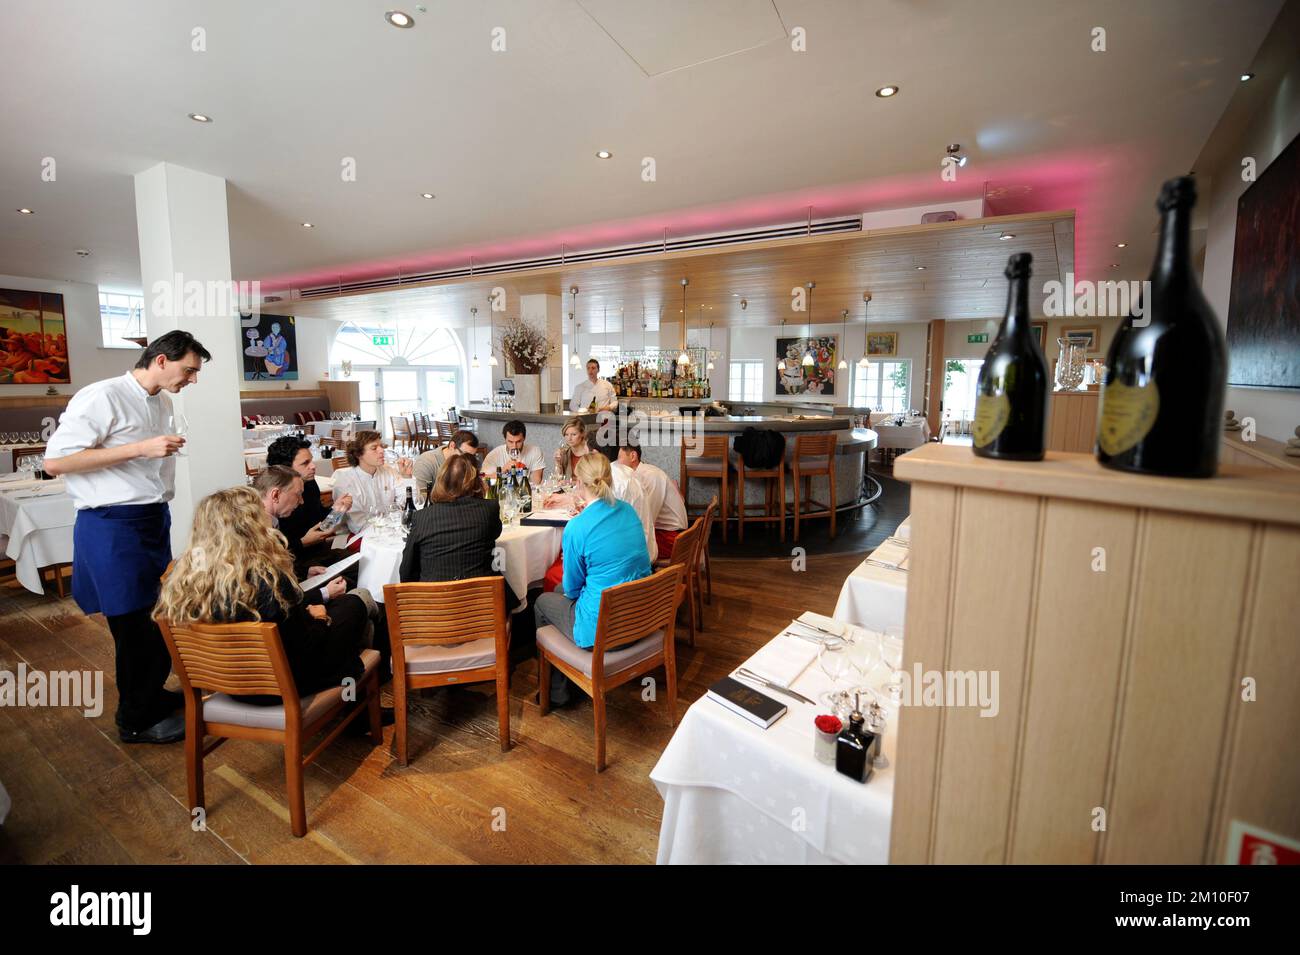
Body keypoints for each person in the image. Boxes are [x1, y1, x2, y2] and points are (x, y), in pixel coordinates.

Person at [43, 330, 211, 744]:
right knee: (132, 624)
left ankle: (151, 694)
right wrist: (139, 449)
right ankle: (134, 720)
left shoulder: (164, 401)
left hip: (151, 519)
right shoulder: (101, 396)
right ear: (160, 361)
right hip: (112, 524)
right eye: (189, 370)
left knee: (157, 616)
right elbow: (55, 462)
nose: (192, 379)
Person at [153, 487, 376, 703]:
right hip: (279, 686)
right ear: (252, 527)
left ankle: (355, 697)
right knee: (354, 605)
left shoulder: (185, 578)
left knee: (347, 608)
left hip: (226, 683)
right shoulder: (269, 580)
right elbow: (304, 650)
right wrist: (319, 618)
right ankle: (356, 701)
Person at [534, 453, 651, 705]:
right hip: (641, 616)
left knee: (542, 601)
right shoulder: (628, 511)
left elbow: (574, 589)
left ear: (578, 483)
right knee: (557, 588)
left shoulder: (577, 527)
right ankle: (563, 680)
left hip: (605, 631)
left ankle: (557, 692)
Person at [399, 453, 523, 611]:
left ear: (440, 482)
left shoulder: (421, 517)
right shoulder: (488, 509)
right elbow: (495, 533)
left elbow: (406, 572)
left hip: (435, 612)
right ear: (475, 482)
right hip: (483, 609)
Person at [265, 434, 353, 574]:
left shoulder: (310, 484)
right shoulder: (275, 501)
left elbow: (321, 523)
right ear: (285, 469)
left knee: (363, 563)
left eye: (311, 461)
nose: (313, 466)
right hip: (295, 562)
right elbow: (272, 553)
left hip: (319, 552)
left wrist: (337, 510)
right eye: (305, 463)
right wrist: (303, 542)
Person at [331, 429, 415, 534]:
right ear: (358, 454)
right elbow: (358, 526)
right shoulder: (346, 482)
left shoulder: (388, 471)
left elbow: (412, 504)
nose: (382, 450)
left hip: (391, 530)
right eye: (374, 448)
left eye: (381, 446)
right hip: (358, 536)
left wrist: (406, 477)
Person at [617, 444, 688, 558]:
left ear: (633, 456)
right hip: (666, 533)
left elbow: (647, 519)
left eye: (619, 457)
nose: (617, 464)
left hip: (672, 538)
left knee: (623, 545)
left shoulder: (649, 476)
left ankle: (643, 574)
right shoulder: (641, 474)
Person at [412, 428, 479, 497]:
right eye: (465, 455)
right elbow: (421, 496)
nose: (469, 461)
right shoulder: (426, 462)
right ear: (452, 446)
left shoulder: (467, 462)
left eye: (472, 456)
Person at [482, 420, 545, 484]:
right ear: (505, 439)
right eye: (510, 442)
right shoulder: (494, 455)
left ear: (524, 438)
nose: (514, 446)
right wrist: (503, 470)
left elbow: (536, 483)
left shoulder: (535, 452)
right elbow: (483, 480)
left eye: (518, 442)